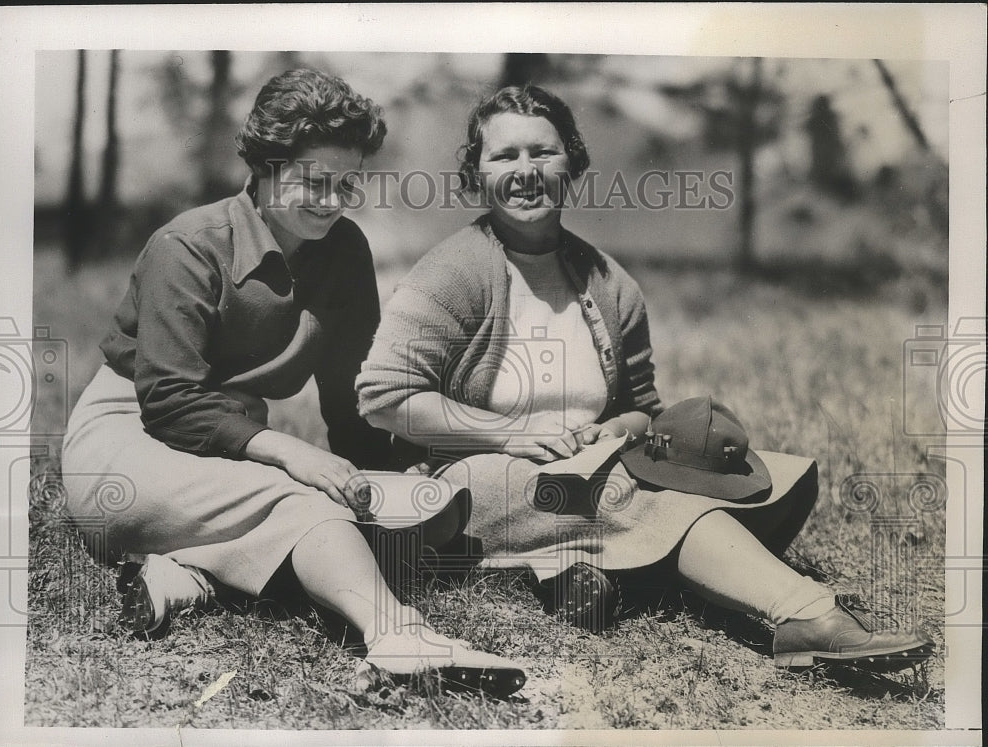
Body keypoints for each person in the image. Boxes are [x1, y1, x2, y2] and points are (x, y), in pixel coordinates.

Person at [355, 84, 934, 671]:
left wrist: (613, 432)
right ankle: (806, 615)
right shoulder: (452, 271)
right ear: (477, 174)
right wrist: (510, 434)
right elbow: (383, 398)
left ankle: (595, 576)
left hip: (592, 465)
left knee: (758, 478)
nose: (525, 172)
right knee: (624, 496)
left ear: (572, 165)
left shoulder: (609, 284)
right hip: (471, 477)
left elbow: (641, 406)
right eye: (504, 156)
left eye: (543, 153)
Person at [61, 69, 525, 697]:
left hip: (222, 445)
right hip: (127, 443)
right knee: (298, 499)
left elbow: (348, 391)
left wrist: (376, 481)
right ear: (266, 167)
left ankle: (185, 577)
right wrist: (290, 452)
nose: (331, 202)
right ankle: (396, 635)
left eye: (346, 185)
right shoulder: (188, 246)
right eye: (313, 182)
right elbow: (169, 401)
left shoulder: (344, 251)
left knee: (358, 512)